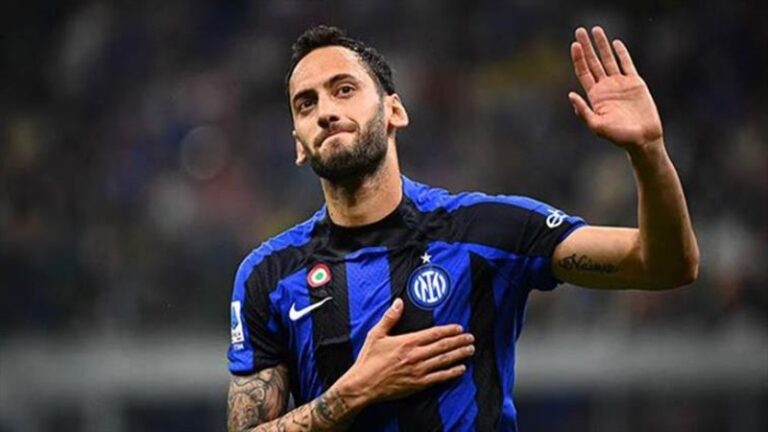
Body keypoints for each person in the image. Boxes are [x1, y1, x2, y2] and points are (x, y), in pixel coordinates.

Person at [226, 25, 699, 432]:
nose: (325, 111)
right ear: (299, 144)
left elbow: (666, 266)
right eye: (306, 104)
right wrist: (354, 391)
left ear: (394, 111)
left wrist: (648, 152)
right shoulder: (268, 276)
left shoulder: (484, 230)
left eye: (344, 89)